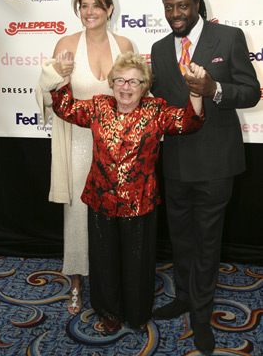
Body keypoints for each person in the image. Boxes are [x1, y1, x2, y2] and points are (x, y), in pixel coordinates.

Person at [49, 51, 204, 334]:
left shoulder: (155, 110)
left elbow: (189, 122)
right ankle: (109, 311)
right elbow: (65, 108)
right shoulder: (98, 107)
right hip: (100, 199)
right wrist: (63, 74)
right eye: (120, 80)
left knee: (138, 262)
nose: (126, 87)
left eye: (134, 82)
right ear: (112, 84)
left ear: (144, 86)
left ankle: (136, 313)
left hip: (140, 202)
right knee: (103, 259)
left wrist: (196, 91)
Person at [150, 0, 261, 354]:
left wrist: (214, 89)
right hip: (175, 163)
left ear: (197, 4)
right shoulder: (159, 48)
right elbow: (160, 104)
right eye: (168, 6)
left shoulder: (228, 37)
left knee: (207, 242)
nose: (175, 13)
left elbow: (251, 92)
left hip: (216, 163)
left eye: (182, 5)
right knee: (181, 238)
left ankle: (201, 315)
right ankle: (183, 296)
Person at [35, 0, 133, 315]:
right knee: (77, 214)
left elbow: (136, 92)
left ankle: (112, 277)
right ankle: (76, 282)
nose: (88, 12)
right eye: (83, 5)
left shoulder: (124, 44)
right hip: (78, 142)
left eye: (95, 5)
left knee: (113, 213)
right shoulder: (66, 44)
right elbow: (46, 94)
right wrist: (54, 75)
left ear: (109, 9)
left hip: (115, 145)